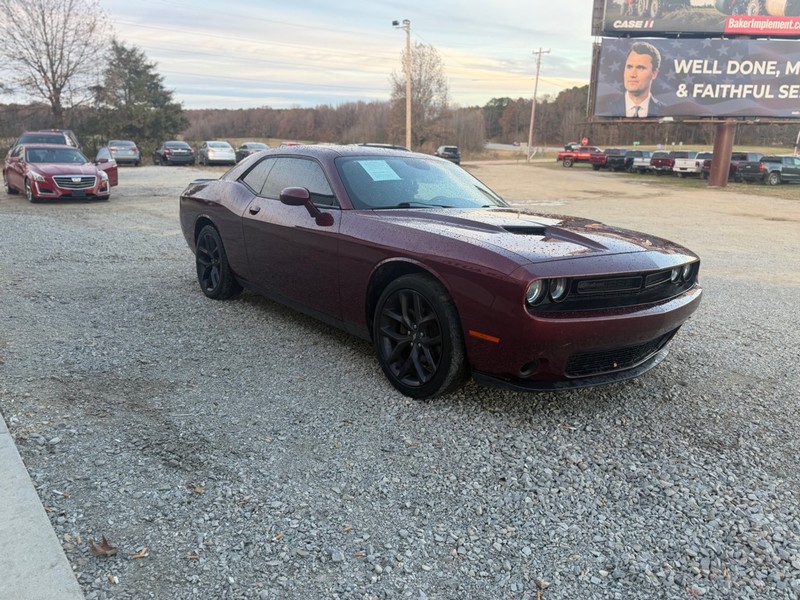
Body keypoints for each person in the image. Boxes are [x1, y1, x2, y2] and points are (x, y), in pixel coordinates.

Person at [621, 41, 664, 118]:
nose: (633, 74)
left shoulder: (664, 111)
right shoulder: (606, 108)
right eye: (629, 67)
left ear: (654, 73)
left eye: (640, 68)